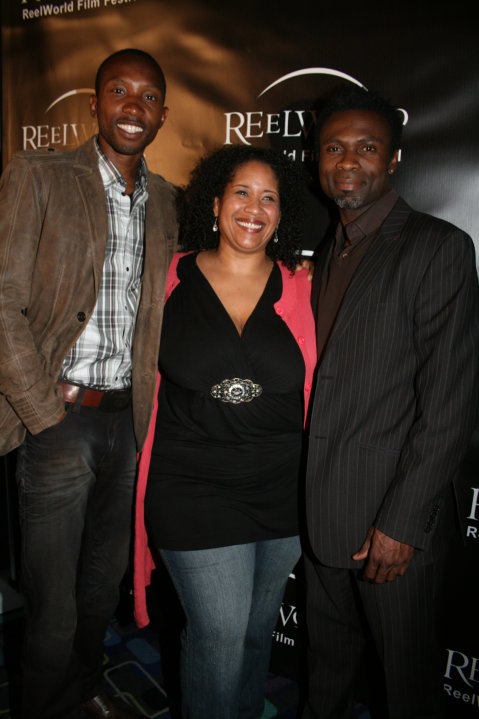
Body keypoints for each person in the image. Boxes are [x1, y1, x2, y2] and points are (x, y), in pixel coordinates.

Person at [0, 49, 178, 719]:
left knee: (100, 585)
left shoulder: (166, 200)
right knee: (51, 603)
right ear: (95, 103)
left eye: (147, 96)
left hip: (129, 424)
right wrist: (43, 412)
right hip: (58, 417)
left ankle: (82, 689)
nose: (133, 107)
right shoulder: (38, 174)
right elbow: (2, 299)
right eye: (119, 92)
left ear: (163, 113)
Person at [302, 86, 479, 719]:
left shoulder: (439, 247)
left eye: (367, 148)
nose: (347, 161)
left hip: (392, 527)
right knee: (325, 675)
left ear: (395, 159)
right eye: (334, 148)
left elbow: (450, 403)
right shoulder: (330, 251)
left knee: (407, 690)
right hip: (323, 514)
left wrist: (401, 523)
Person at [133, 145, 316, 719]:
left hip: (282, 492)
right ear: (215, 203)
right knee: (218, 635)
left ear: (282, 215)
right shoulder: (166, 277)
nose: (253, 208)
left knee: (256, 634)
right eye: (242, 192)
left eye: (269, 198)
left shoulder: (304, 286)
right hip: (193, 486)